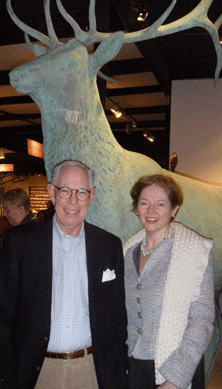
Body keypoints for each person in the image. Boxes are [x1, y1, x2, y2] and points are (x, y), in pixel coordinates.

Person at [0, 160, 128, 389]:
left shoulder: (109, 246)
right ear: (51, 192)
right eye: (65, 190)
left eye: (81, 192)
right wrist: (7, 374)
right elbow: (4, 314)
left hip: (91, 371)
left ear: (92, 195)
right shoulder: (21, 243)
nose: (73, 200)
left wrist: (118, 369)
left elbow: (117, 317)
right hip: (37, 372)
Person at [123, 174, 215, 389]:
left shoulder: (196, 251)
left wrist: (174, 379)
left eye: (160, 204)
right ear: (136, 208)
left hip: (175, 369)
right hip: (133, 366)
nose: (151, 211)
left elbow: (202, 320)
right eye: (144, 203)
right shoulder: (127, 252)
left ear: (174, 209)